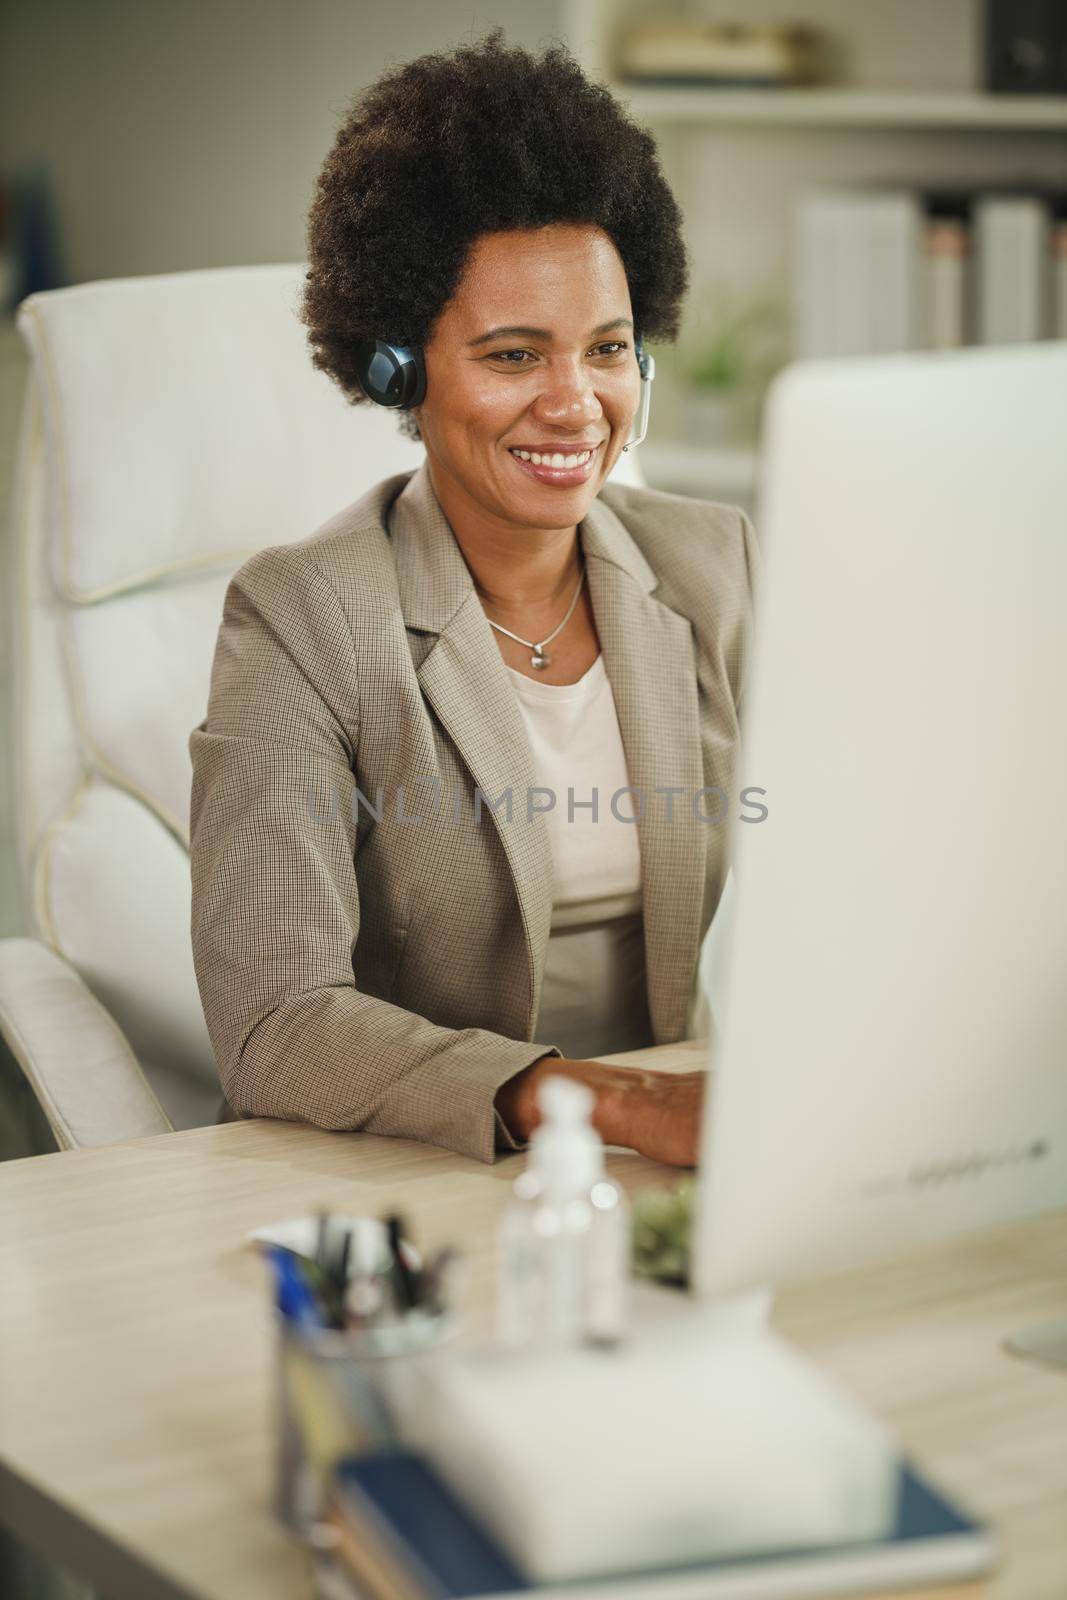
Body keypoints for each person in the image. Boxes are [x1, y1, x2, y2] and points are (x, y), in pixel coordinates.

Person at [188, 30, 760, 1168]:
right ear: (400, 367)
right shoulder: (302, 618)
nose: (575, 403)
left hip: (691, 1163)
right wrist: (617, 1107)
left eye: (606, 347)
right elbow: (275, 1022)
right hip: (419, 1170)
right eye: (511, 356)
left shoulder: (711, 568)